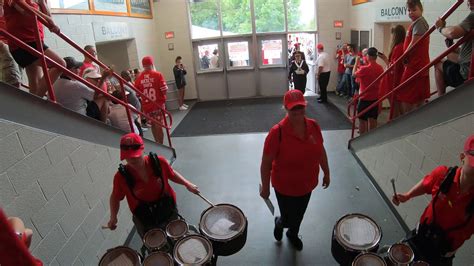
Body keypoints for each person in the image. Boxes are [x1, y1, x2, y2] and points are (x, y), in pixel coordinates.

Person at [260, 90, 330, 251]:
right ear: (285, 108)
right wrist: (265, 188)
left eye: (301, 107)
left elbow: (320, 150)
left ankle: (292, 234)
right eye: (293, 109)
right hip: (285, 187)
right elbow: (266, 164)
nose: (298, 112)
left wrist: (326, 172)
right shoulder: (277, 133)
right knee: (288, 217)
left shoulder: (313, 125)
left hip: (307, 183)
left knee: (299, 215)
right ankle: (280, 222)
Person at [392, 135, 474, 266]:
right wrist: (407, 195)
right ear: (462, 158)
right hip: (418, 240)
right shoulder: (444, 175)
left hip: (441, 257)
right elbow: (426, 184)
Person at [107, 133, 199, 238]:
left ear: (142, 149)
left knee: (176, 235)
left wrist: (187, 184)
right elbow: (115, 197)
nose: (132, 159)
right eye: (127, 156)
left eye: (135, 155)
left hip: (167, 207)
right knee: (155, 243)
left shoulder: (159, 162)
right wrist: (113, 217)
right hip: (144, 216)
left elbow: (171, 174)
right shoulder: (121, 177)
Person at [3, 0, 66, 97]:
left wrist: (42, 3)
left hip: (36, 41)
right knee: (60, 64)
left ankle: (33, 105)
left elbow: (49, 17)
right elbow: (26, 12)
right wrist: (49, 20)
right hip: (23, 43)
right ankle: (35, 103)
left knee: (35, 82)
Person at [397, 0, 430, 115]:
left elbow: (414, 43)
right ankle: (415, 118)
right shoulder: (416, 23)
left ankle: (408, 120)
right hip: (417, 64)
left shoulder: (419, 22)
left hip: (416, 65)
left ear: (421, 9)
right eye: (409, 10)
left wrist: (404, 55)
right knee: (417, 94)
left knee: (404, 93)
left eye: (414, 10)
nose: (411, 13)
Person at [434, 0, 473, 96]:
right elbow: (468, 52)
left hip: (466, 73)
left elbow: (452, 32)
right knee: (449, 54)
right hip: (469, 65)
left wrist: (440, 28)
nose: (469, 1)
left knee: (437, 63)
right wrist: (452, 47)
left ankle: (440, 99)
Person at [134, 56, 168, 144]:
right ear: (152, 64)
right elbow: (164, 90)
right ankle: (161, 144)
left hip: (147, 106)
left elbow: (137, 94)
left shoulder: (139, 78)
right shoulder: (158, 75)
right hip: (157, 105)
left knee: (153, 124)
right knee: (159, 125)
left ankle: (156, 142)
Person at [352, 47, 385, 134]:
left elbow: (353, 75)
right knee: (373, 120)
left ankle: (363, 140)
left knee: (362, 122)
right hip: (375, 99)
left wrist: (356, 62)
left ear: (368, 57)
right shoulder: (380, 68)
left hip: (364, 99)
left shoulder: (364, 69)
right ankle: (371, 140)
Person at [378, 25, 406, 119]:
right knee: (397, 106)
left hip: (394, 80)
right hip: (395, 79)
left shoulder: (398, 47)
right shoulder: (401, 46)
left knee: (395, 107)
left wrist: (385, 59)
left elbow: (394, 67)